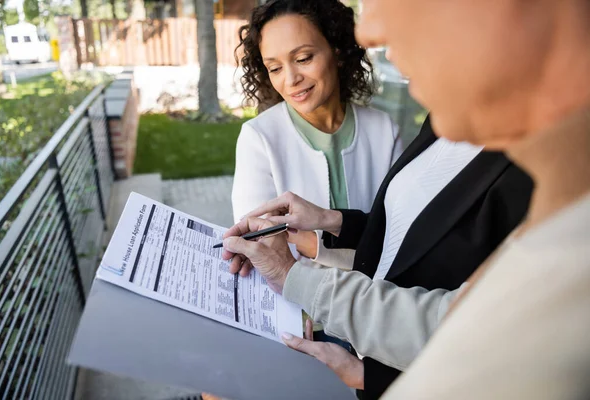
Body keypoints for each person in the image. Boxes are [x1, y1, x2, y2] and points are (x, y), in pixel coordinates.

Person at [225, 0, 590, 399]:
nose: (370, 31)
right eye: (275, 66)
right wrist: (332, 221)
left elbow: (472, 338)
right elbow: (400, 232)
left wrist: (371, 377)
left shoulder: (556, 211)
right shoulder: (444, 121)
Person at [231, 0, 400, 278]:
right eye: (275, 68)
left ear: (338, 51)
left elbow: (401, 238)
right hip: (299, 313)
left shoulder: (384, 130)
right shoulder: (258, 139)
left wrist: (311, 245)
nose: (291, 78)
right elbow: (262, 253)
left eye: (303, 58)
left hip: (379, 305)